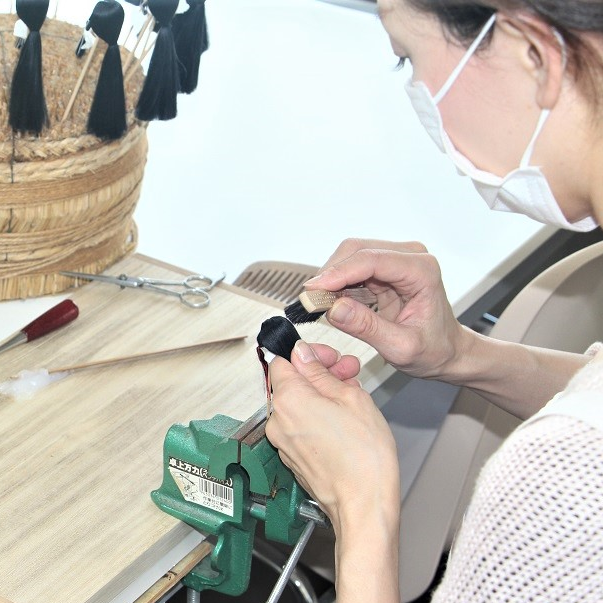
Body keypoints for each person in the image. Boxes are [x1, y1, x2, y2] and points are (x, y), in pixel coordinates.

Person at [264, 1, 603, 602]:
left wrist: (360, 505)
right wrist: (459, 355)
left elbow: (584, 439)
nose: (417, 94)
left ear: (534, 53)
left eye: (407, 58)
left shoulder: (560, 482)